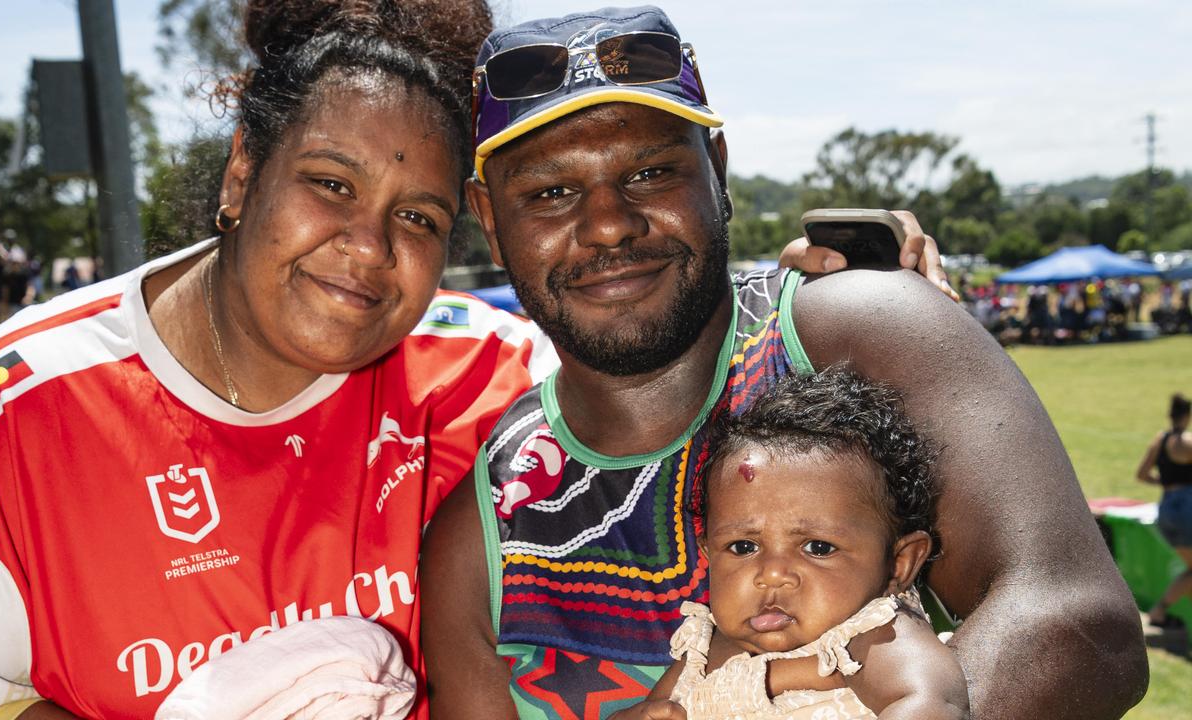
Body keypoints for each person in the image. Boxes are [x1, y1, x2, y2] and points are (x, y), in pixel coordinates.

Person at [421, 6, 1145, 720]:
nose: (609, 222)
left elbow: (1076, 623)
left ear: (717, 169)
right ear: (488, 218)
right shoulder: (482, 533)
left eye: (650, 172)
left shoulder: (857, 329)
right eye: (550, 192)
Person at [0, 2, 554, 718]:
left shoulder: (498, 381)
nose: (369, 247)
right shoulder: (7, 419)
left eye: (418, 218)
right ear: (243, 174)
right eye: (331, 184)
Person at [636, 369, 967, 720]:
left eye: (818, 548)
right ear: (708, 554)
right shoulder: (702, 650)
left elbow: (934, 703)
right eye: (744, 547)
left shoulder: (872, 637)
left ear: (899, 564)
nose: (772, 574)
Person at [1136, 393, 1192, 630]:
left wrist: (1167, 483)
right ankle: (1159, 611)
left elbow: (1141, 474)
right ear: (1187, 416)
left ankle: (1161, 611)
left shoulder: (1159, 440)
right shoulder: (1188, 442)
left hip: (1166, 508)